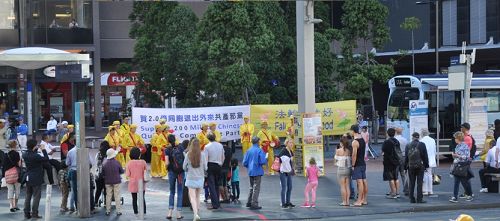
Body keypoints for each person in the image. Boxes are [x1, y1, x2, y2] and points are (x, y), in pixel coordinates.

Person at [23, 139, 49, 219]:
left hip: (28, 177)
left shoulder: (25, 154)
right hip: (36, 177)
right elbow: (46, 159)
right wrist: (43, 149)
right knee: (36, 196)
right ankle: (34, 213)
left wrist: (36, 149)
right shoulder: (36, 156)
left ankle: (26, 213)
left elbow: (32, 153)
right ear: (34, 146)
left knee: (28, 195)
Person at [183, 138, 208, 221]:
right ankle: (197, 212)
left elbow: (184, 167)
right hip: (200, 178)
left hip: (191, 178)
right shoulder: (203, 155)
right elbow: (205, 167)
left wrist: (187, 169)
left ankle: (195, 214)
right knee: (198, 197)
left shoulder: (188, 154)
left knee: (192, 197)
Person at [243, 136, 267, 210]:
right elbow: (263, 161)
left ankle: (249, 202)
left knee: (251, 187)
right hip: (257, 170)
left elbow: (244, 162)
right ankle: (254, 203)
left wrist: (249, 166)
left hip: (250, 171)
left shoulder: (248, 150)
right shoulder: (259, 150)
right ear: (258, 142)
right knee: (256, 188)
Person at [164, 134, 185, 218]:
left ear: (168, 140)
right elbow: (185, 158)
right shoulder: (180, 147)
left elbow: (166, 163)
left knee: (172, 191)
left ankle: (170, 212)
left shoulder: (167, 150)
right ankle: (179, 214)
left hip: (172, 172)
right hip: (180, 172)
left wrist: (167, 168)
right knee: (180, 191)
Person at [449, 132, 473, 203]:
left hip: (463, 166)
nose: (455, 139)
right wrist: (454, 156)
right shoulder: (457, 146)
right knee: (457, 182)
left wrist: (457, 156)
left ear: (458, 138)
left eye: (455, 138)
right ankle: (455, 197)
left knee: (464, 182)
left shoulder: (464, 146)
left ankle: (469, 194)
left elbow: (467, 157)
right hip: (457, 165)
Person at [405, 132, 429, 203]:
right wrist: (426, 166)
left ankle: (411, 198)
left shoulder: (408, 145)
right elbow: (425, 156)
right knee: (420, 183)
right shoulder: (422, 144)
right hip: (420, 166)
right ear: (418, 137)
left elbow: (406, 157)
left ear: (412, 137)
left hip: (411, 166)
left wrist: (405, 167)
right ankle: (419, 199)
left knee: (411, 183)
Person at [204, 132, 224, 210]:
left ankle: (214, 204)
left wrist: (205, 170)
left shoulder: (207, 146)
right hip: (218, 166)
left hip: (210, 165)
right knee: (216, 185)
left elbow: (205, 159)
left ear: (208, 138)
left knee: (211, 186)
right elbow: (223, 157)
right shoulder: (220, 145)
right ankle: (217, 203)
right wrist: (220, 164)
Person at [126, 147, 147, 215]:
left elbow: (128, 174)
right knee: (142, 198)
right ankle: (143, 212)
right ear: (139, 154)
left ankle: (136, 212)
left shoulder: (129, 163)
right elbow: (145, 171)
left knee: (134, 199)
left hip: (133, 183)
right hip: (141, 183)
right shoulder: (143, 162)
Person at [103, 148, 124, 216]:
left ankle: (107, 210)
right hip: (116, 181)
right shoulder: (117, 162)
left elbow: (103, 173)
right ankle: (118, 211)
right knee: (117, 196)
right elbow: (122, 171)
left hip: (108, 182)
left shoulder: (105, 163)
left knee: (108, 196)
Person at [350, 124, 367, 207]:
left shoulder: (355, 142)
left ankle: (359, 201)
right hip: (363, 163)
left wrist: (353, 165)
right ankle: (364, 199)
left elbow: (354, 155)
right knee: (364, 181)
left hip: (358, 164)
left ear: (353, 131)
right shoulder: (362, 139)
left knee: (359, 182)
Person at [3, 140, 22, 212]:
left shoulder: (6, 154)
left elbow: (4, 166)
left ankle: (11, 205)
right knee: (17, 190)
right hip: (16, 174)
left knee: (10, 190)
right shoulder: (17, 154)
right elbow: (19, 164)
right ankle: (15, 205)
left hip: (8, 174)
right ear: (15, 145)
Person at [382, 128, 400, 199]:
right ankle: (397, 192)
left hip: (388, 162)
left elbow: (383, 151)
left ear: (387, 133)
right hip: (396, 161)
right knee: (396, 177)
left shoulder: (386, 142)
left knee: (391, 178)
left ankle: (393, 193)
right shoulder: (396, 141)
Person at [335, 134, 352, 206]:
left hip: (341, 169)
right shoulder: (349, 150)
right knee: (347, 186)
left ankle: (344, 202)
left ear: (341, 143)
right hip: (348, 169)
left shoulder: (338, 150)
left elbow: (335, 162)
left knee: (342, 186)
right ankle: (348, 201)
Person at [278, 138, 295, 209]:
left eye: (292, 143)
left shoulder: (291, 151)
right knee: (284, 187)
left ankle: (288, 202)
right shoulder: (283, 150)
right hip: (283, 172)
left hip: (288, 171)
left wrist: (292, 169)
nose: (291, 144)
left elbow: (291, 162)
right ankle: (283, 203)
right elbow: (279, 159)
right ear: (287, 143)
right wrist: (287, 160)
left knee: (290, 187)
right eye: (290, 143)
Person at [420, 129, 437, 195]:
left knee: (424, 175)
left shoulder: (422, 141)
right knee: (429, 175)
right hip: (432, 159)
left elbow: (421, 152)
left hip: (424, 160)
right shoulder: (432, 140)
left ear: (422, 134)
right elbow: (435, 150)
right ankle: (431, 190)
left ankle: (425, 190)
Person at [94, 141, 110, 207]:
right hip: (107, 175)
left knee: (98, 190)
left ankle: (95, 202)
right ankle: (106, 203)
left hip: (98, 175)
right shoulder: (109, 154)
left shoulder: (98, 154)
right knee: (107, 190)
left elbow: (96, 162)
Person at [395, 127, 409, 195]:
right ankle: (406, 189)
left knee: (395, 174)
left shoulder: (394, 139)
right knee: (403, 174)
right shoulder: (405, 140)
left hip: (396, 157)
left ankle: (395, 190)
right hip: (403, 157)